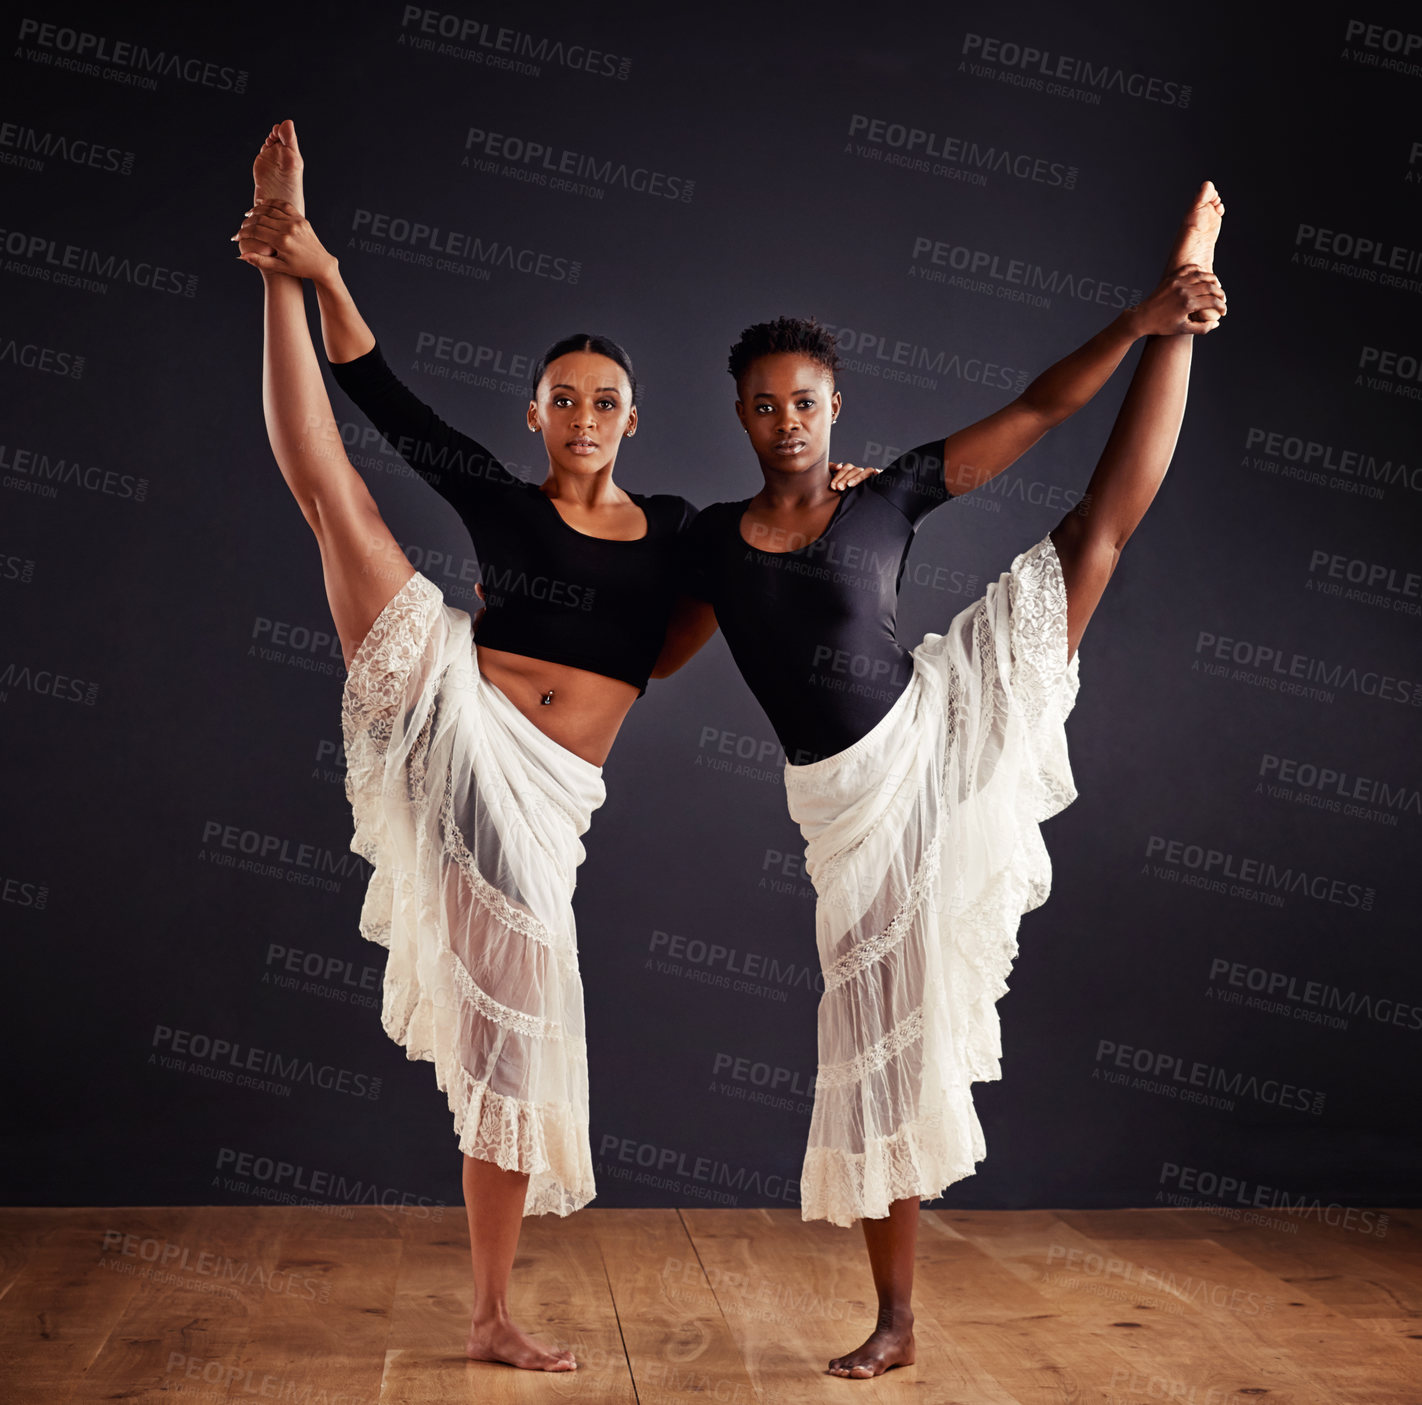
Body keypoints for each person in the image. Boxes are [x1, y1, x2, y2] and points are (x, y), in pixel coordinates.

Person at [233, 119, 873, 1372]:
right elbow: (376, 390)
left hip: (548, 797)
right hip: (454, 712)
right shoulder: (503, 498)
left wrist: (829, 488)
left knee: (513, 1034)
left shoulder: (686, 529)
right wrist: (315, 272)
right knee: (336, 498)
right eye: (565, 398)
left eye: (607, 402)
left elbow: (760, 557)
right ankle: (265, 267)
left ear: (634, 421)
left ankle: (488, 1312)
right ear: (538, 414)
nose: (585, 415)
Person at [682, 185, 1227, 1378]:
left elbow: (1035, 408)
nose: (789, 421)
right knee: (881, 1044)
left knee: (1092, 539)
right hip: (849, 811)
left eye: (808, 402)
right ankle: (899, 1318)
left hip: (940, 724)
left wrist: (1142, 319)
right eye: (766, 405)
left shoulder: (886, 495)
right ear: (739, 413)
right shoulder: (706, 540)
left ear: (838, 407)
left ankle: (1190, 317)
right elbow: (641, 630)